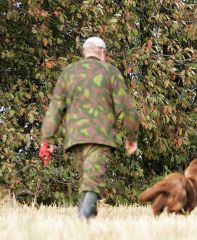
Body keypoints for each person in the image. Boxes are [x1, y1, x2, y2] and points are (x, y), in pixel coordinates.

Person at [39, 36, 139, 219]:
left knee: (87, 178)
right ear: (102, 52)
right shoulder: (111, 72)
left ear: (85, 52)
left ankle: (86, 223)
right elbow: (126, 109)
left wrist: (47, 139)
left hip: (75, 137)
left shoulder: (69, 72)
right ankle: (82, 221)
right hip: (100, 136)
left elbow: (54, 110)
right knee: (92, 181)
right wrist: (131, 137)